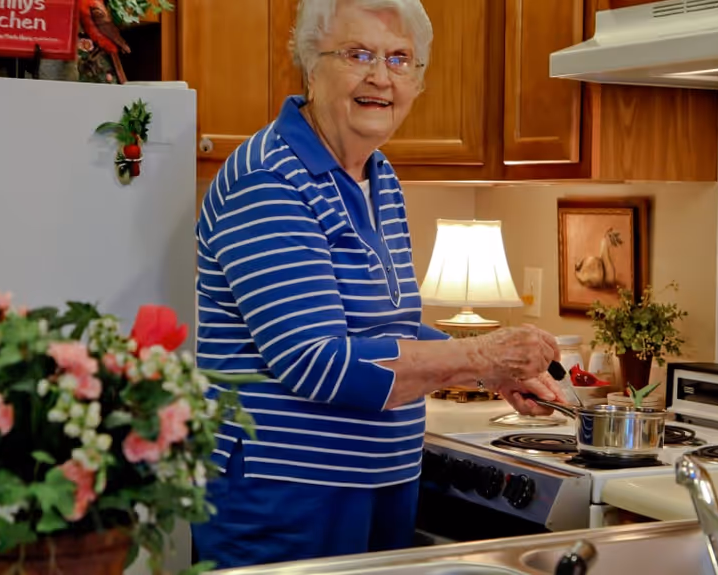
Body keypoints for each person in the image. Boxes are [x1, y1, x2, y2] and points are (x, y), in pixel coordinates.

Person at [190, 0, 567, 569]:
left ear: (417, 80)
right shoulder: (270, 179)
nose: (380, 77)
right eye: (357, 54)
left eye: (399, 59)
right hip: (283, 492)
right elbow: (318, 362)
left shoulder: (377, 174)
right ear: (309, 67)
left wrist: (487, 371)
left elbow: (386, 326)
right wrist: (481, 355)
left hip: (379, 477)